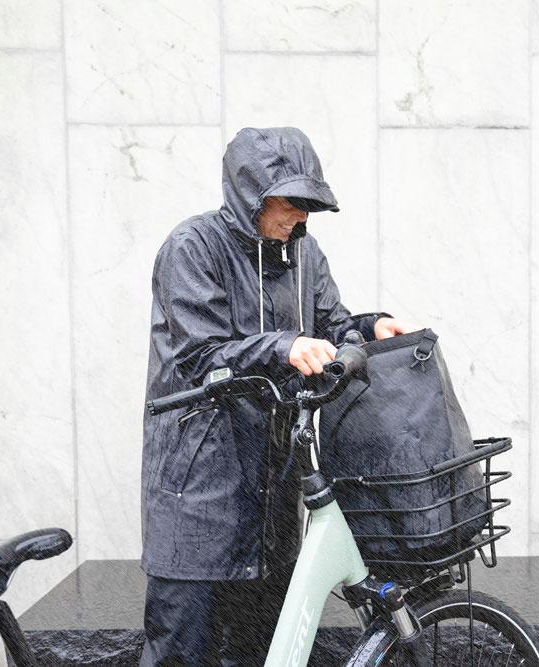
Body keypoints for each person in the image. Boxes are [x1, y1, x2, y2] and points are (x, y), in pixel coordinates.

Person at [139, 127, 413, 665]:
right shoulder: (192, 248)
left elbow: (330, 326)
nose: (301, 217)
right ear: (251, 196)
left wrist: (371, 326)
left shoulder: (305, 255)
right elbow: (199, 355)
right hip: (198, 496)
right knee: (180, 653)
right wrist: (285, 347)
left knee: (266, 652)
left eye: (309, 204)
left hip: (273, 494)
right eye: (290, 202)